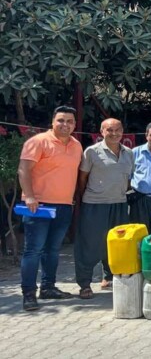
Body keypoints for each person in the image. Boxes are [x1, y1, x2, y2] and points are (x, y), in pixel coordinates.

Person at [18, 106, 82, 311]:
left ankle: (48, 287)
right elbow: (23, 170)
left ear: (74, 124)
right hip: (39, 205)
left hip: (64, 205)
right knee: (33, 250)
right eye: (61, 120)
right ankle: (28, 293)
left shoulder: (76, 145)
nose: (65, 125)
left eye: (70, 121)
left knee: (53, 250)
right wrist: (28, 196)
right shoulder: (37, 142)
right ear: (53, 122)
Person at [74, 118, 134, 299]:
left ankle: (109, 276)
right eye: (109, 130)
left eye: (117, 130)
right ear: (102, 131)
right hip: (95, 204)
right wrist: (88, 196)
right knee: (90, 245)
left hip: (119, 203)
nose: (114, 133)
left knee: (116, 242)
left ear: (122, 131)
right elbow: (82, 178)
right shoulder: (92, 152)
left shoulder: (129, 153)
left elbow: (128, 179)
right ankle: (84, 284)